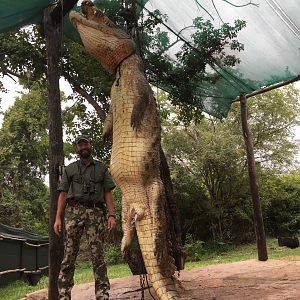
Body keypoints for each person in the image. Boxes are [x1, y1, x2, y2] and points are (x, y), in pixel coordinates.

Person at [54, 135, 116, 300]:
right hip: (73, 213)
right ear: (77, 148)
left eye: (85, 144)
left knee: (98, 256)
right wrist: (58, 218)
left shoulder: (102, 168)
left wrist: (111, 215)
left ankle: (102, 294)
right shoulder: (70, 169)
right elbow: (63, 193)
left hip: (95, 214)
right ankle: (64, 295)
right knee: (69, 256)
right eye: (80, 145)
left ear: (90, 145)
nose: (83, 147)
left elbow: (108, 192)